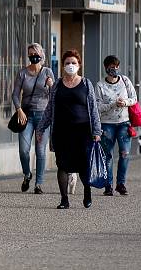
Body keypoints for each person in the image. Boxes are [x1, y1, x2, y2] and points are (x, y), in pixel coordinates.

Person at [36, 49, 102, 209]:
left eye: (73, 63)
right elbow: (49, 109)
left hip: (83, 132)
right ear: (62, 66)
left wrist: (97, 131)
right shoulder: (57, 85)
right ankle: (64, 199)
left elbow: (93, 109)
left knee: (84, 165)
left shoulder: (86, 84)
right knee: (63, 165)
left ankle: (87, 191)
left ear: (79, 65)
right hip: (62, 132)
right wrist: (40, 128)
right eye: (67, 63)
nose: (70, 65)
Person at [12, 43, 55, 194]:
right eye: (31, 54)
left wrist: (51, 85)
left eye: (36, 53)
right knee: (24, 150)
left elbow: (54, 95)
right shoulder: (22, 73)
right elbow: (15, 94)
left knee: (40, 151)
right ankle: (27, 174)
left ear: (42, 55)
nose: (33, 56)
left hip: (43, 116)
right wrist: (18, 110)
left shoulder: (48, 72)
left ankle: (39, 184)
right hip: (26, 115)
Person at [95, 55, 137, 196]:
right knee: (108, 156)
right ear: (106, 68)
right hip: (107, 125)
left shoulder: (125, 81)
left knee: (125, 153)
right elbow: (98, 107)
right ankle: (108, 186)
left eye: (116, 66)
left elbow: (134, 99)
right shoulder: (100, 85)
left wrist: (124, 102)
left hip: (124, 123)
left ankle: (121, 184)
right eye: (111, 67)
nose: (114, 69)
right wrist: (112, 104)